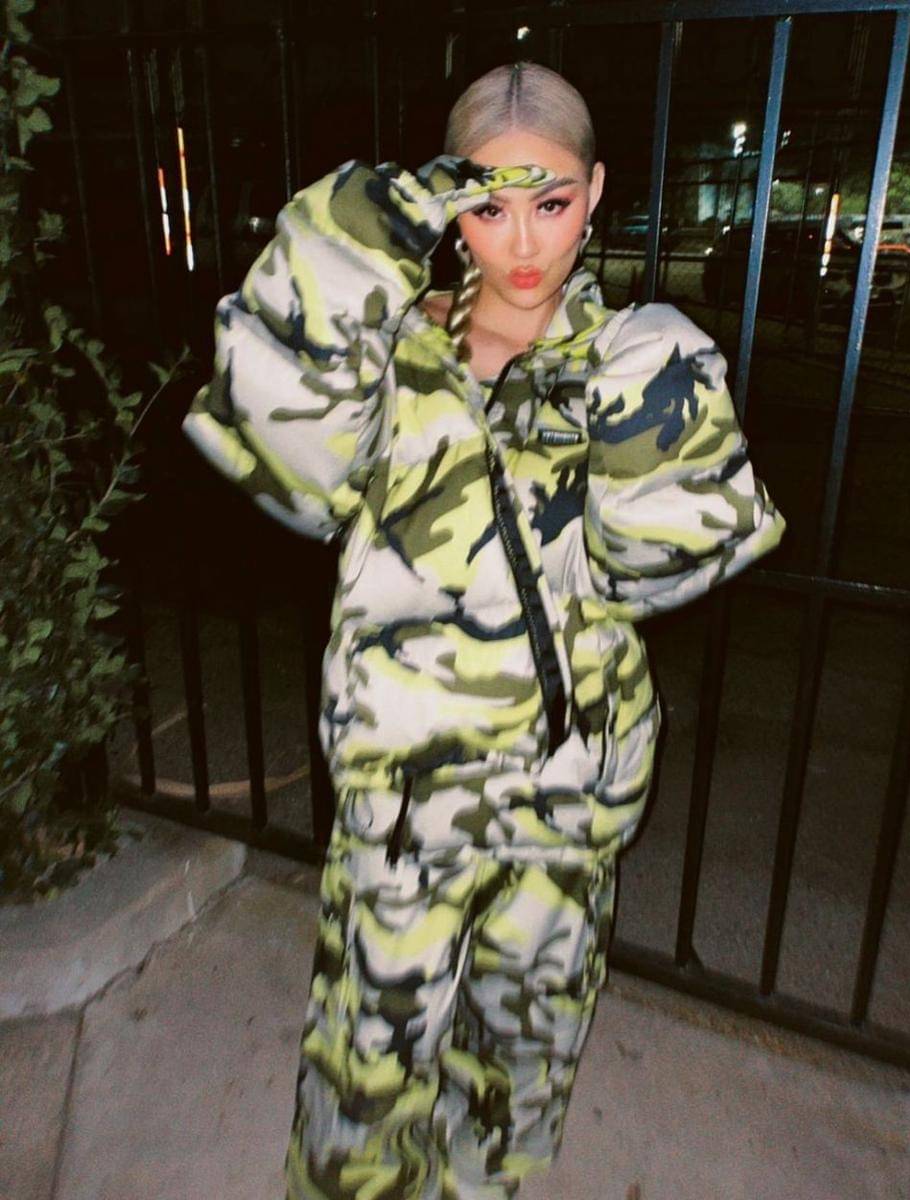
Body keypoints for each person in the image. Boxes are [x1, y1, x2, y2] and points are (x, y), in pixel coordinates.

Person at [183, 60, 784, 1200]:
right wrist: (365, 228)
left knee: (520, 1056)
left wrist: (640, 394)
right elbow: (285, 458)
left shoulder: (630, 360)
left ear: (593, 194)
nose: (521, 241)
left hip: (567, 796)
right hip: (407, 795)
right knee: (368, 1064)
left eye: (549, 202)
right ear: (448, 202)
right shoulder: (382, 354)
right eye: (488, 206)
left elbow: (661, 565)